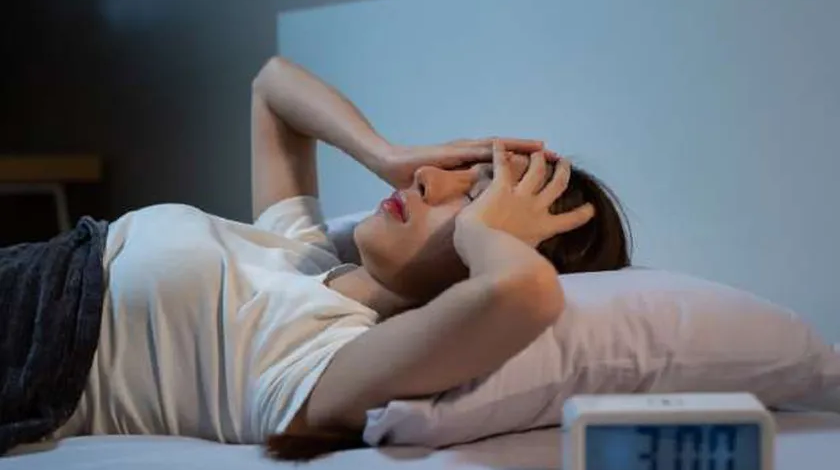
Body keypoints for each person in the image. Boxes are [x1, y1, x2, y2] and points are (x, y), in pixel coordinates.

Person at [0, 56, 630, 458]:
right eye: (461, 170)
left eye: (473, 198)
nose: (429, 179)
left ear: (489, 245)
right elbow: (273, 85)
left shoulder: (325, 360)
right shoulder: (304, 253)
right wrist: (384, 153)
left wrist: (491, 234)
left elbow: (525, 294)